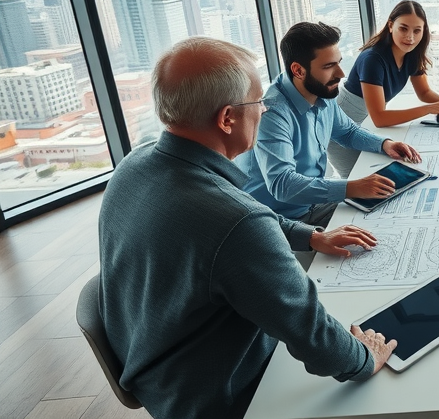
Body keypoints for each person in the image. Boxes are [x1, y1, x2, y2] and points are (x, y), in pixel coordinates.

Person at [98, 38, 397, 419]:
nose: (265, 109)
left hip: (160, 366)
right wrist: (363, 360)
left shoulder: (132, 166)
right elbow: (311, 334)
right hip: (218, 398)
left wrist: (311, 236)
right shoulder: (235, 223)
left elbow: (245, 219)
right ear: (227, 119)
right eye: (258, 102)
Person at [237, 21, 421, 229]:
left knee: (399, 208)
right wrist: (353, 187)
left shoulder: (321, 90)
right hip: (283, 220)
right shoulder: (272, 113)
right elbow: (282, 185)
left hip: (315, 204)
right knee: (384, 226)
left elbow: (347, 132)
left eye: (338, 62)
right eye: (328, 66)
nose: (341, 74)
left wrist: (384, 144)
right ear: (298, 70)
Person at [327, 0, 439, 177]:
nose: (410, 37)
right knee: (357, 183)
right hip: (342, 129)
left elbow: (424, 92)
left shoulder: (412, 55)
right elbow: (380, 117)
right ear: (390, 26)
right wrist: (428, 109)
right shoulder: (372, 59)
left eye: (417, 30)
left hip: (368, 126)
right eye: (403, 28)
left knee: (381, 179)